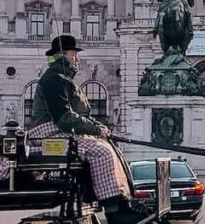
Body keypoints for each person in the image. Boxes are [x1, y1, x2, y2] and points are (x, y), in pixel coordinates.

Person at [29, 34, 131, 210]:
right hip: (48, 132)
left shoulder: (62, 78)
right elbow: (64, 118)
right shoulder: (55, 79)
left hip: (57, 130)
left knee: (108, 146)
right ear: (63, 55)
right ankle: (113, 210)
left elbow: (75, 113)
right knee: (102, 152)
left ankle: (118, 200)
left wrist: (96, 126)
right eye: (73, 54)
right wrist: (95, 130)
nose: (77, 58)